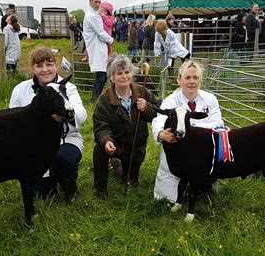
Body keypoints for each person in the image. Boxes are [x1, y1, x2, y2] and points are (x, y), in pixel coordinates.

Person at [9, 47, 87, 201]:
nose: (45, 70)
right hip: (35, 145)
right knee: (42, 195)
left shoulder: (68, 88)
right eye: (39, 65)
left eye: (49, 64)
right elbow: (14, 121)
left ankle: (69, 185)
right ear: (33, 68)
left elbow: (81, 113)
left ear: (56, 65)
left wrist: (64, 116)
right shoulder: (20, 90)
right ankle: (49, 178)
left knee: (63, 159)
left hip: (66, 139)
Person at [152, 60, 223, 203]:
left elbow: (218, 124)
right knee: (168, 198)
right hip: (177, 155)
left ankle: (206, 184)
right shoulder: (170, 101)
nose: (192, 82)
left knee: (203, 192)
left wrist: (189, 128)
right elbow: (158, 120)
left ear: (200, 80)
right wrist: (160, 133)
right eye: (187, 78)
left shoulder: (210, 99)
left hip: (201, 154)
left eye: (195, 78)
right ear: (179, 80)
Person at [93, 54, 158, 200]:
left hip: (136, 146)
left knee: (130, 182)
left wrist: (147, 108)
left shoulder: (142, 91)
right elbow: (100, 125)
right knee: (99, 150)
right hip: (116, 143)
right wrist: (106, 140)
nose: (124, 76)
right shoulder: (104, 99)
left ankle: (118, 165)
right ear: (112, 77)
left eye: (127, 72)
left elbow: (159, 112)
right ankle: (101, 189)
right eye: (119, 73)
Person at [82, 0, 114, 101]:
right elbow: (101, 33)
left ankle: (95, 98)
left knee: (102, 76)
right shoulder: (92, 16)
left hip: (97, 48)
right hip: (97, 49)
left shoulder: (93, 14)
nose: (98, 4)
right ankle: (94, 99)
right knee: (102, 77)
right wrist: (112, 40)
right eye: (96, 1)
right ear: (90, 1)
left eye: (100, 2)